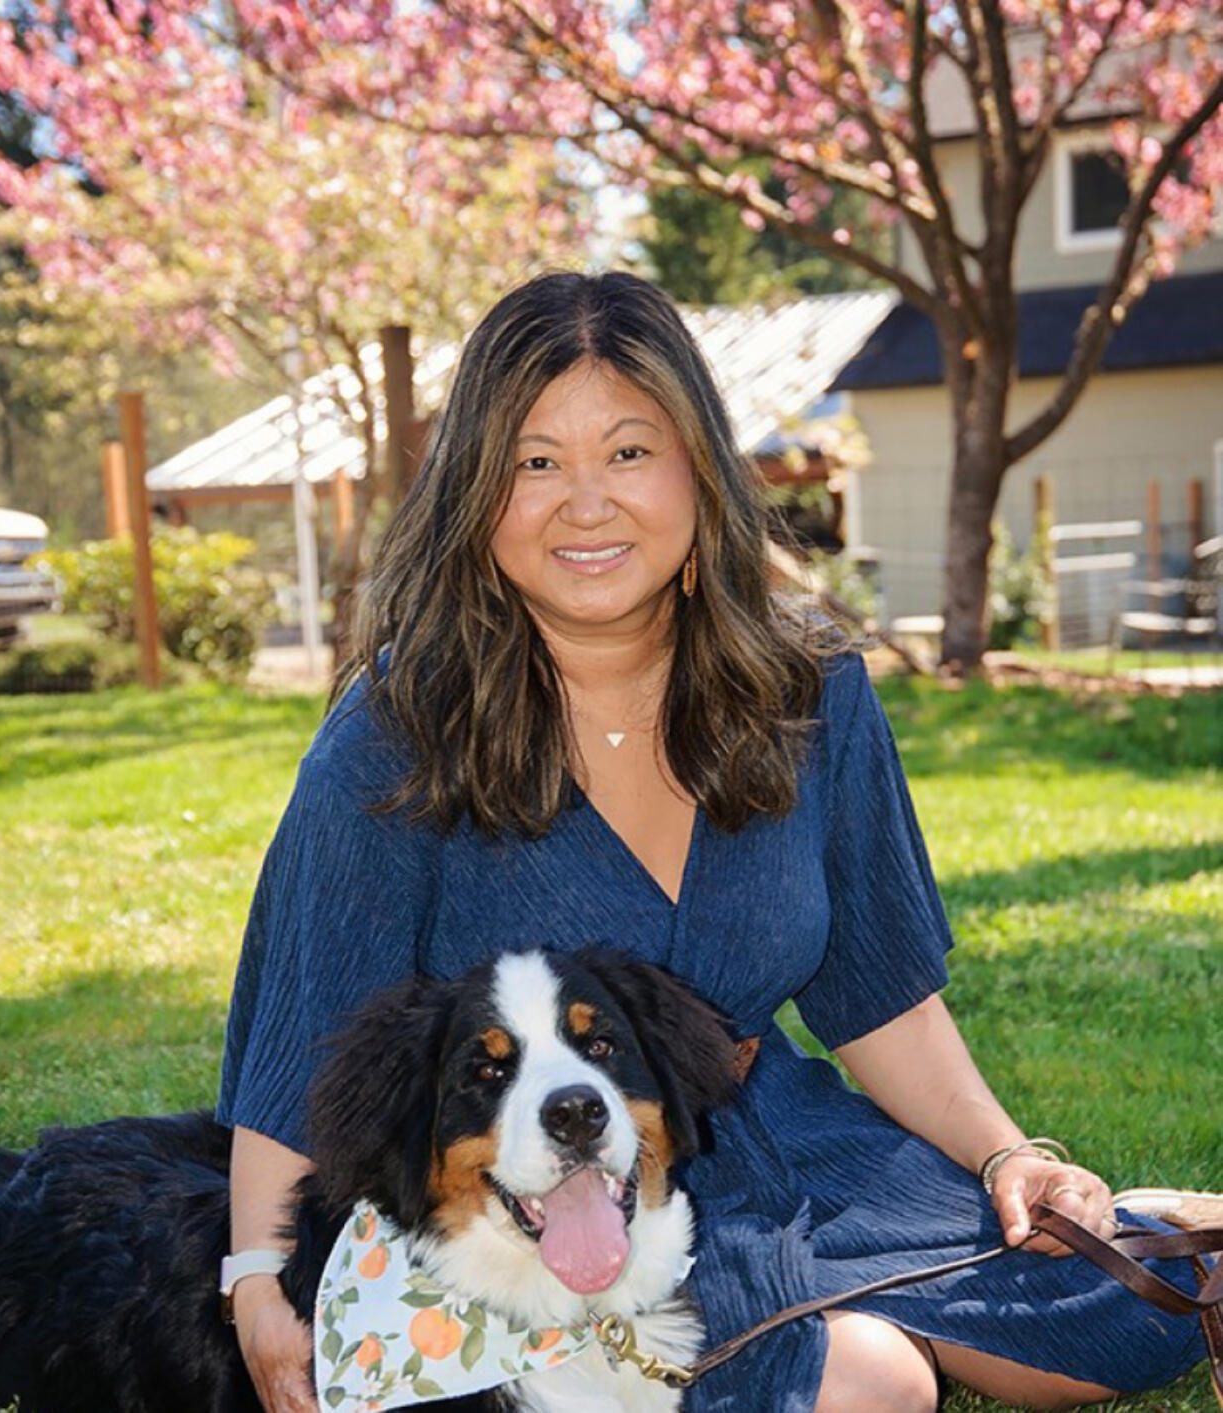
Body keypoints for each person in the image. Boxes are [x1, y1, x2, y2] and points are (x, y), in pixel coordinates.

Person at [216, 270, 1209, 1413]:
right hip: (550, 1195)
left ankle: (923, 1270)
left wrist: (1001, 1158)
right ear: (476, 494)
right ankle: (842, 1325)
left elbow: (876, 993)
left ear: (697, 467)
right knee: (864, 1387)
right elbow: (305, 1032)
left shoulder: (810, 689)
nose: (584, 503)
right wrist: (256, 1276)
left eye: (628, 452)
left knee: (1136, 1315)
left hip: (778, 1134)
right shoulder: (396, 733)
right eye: (535, 463)